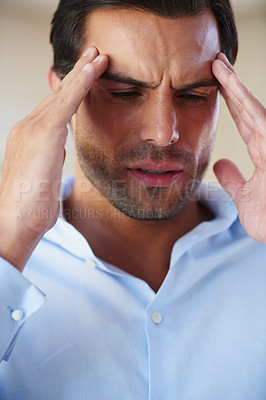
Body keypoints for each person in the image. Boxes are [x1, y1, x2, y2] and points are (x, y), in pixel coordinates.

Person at [0, 0, 265, 398]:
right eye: (124, 93)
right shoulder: (9, 256)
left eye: (194, 95)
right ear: (60, 98)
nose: (162, 133)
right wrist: (9, 243)